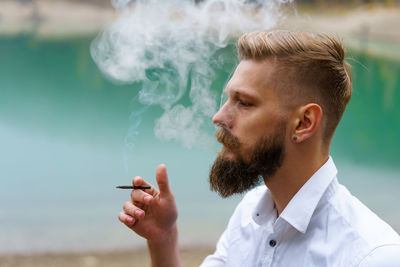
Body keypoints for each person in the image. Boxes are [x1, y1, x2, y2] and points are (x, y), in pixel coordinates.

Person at [118, 30, 400, 266]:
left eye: (244, 103)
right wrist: (163, 239)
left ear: (303, 123)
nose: (219, 117)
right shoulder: (250, 214)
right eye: (228, 98)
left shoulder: (372, 257)